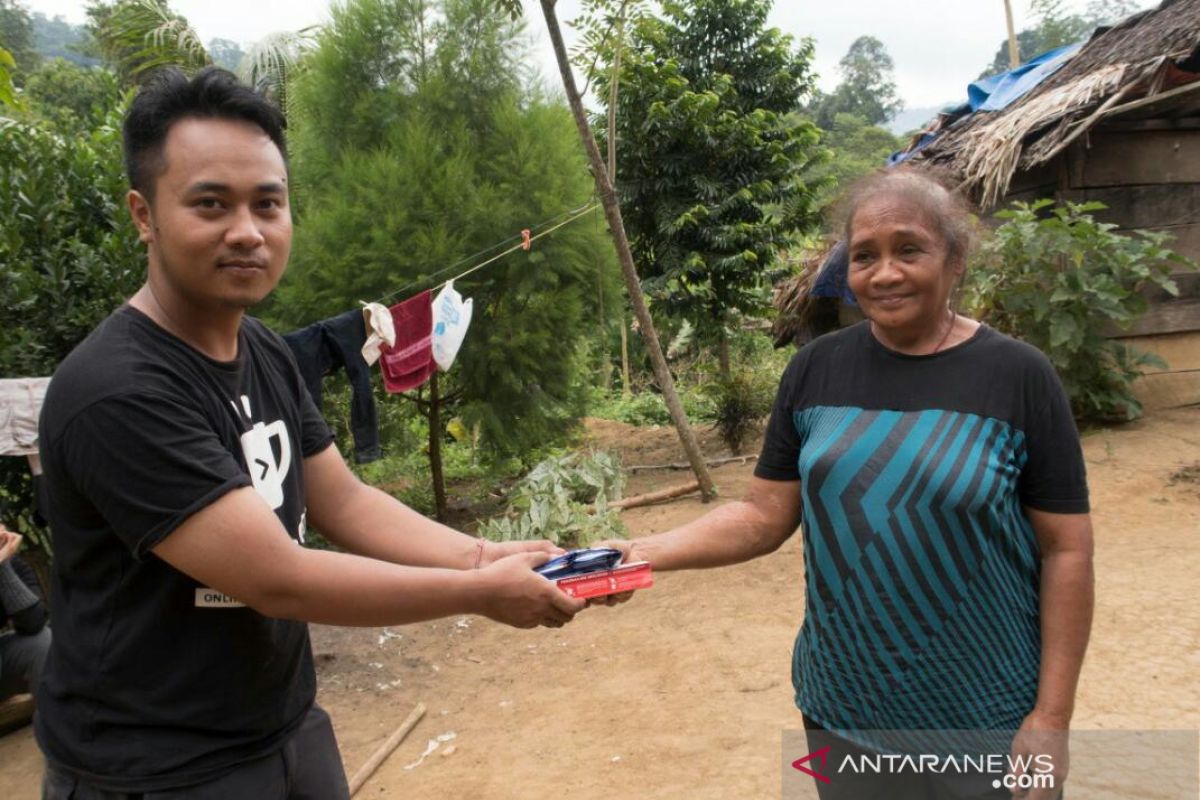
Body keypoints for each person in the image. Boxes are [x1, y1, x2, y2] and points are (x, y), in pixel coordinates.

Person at [35, 67, 587, 800]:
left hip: (285, 728)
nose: (247, 231)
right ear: (144, 214)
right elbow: (276, 577)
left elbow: (343, 503)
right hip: (154, 768)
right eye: (210, 204)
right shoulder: (117, 391)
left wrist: (480, 553)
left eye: (268, 203)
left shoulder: (258, 348)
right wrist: (479, 591)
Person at [607, 168, 1093, 800]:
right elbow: (760, 516)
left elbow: (1067, 550)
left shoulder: (1018, 376)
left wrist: (1051, 719)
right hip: (843, 705)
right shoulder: (816, 369)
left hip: (984, 711)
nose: (884, 273)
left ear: (955, 258)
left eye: (908, 249)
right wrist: (639, 554)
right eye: (865, 255)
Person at [0, 527, 50, 705]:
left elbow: (33, 623)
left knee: (42, 643)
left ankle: (63, 728)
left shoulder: (13, 564)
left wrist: (2, 566)